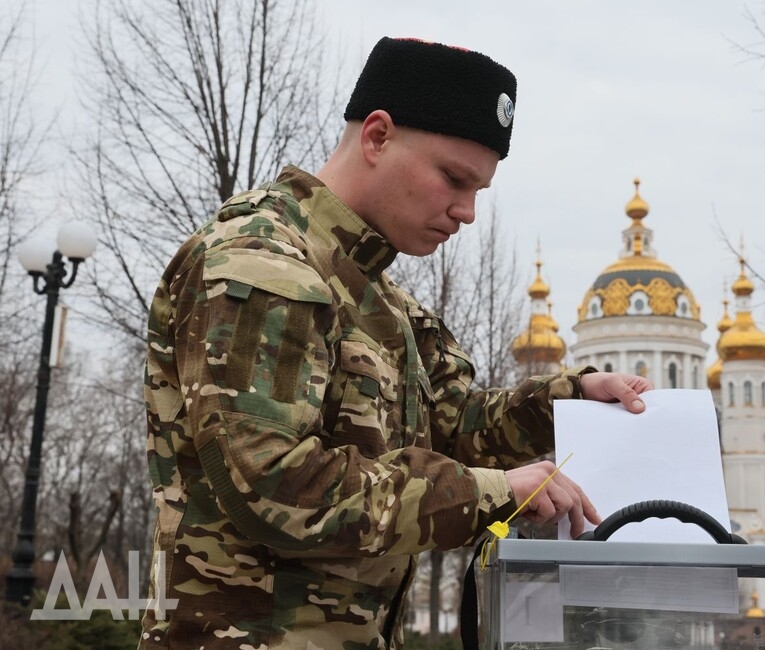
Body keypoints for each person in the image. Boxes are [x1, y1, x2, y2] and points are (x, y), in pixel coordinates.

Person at [141, 36, 653, 650]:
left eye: (478, 192)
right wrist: (493, 494)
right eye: (452, 178)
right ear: (377, 137)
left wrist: (567, 401)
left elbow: (450, 423)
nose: (466, 212)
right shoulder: (263, 265)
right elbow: (274, 483)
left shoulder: (380, 300)